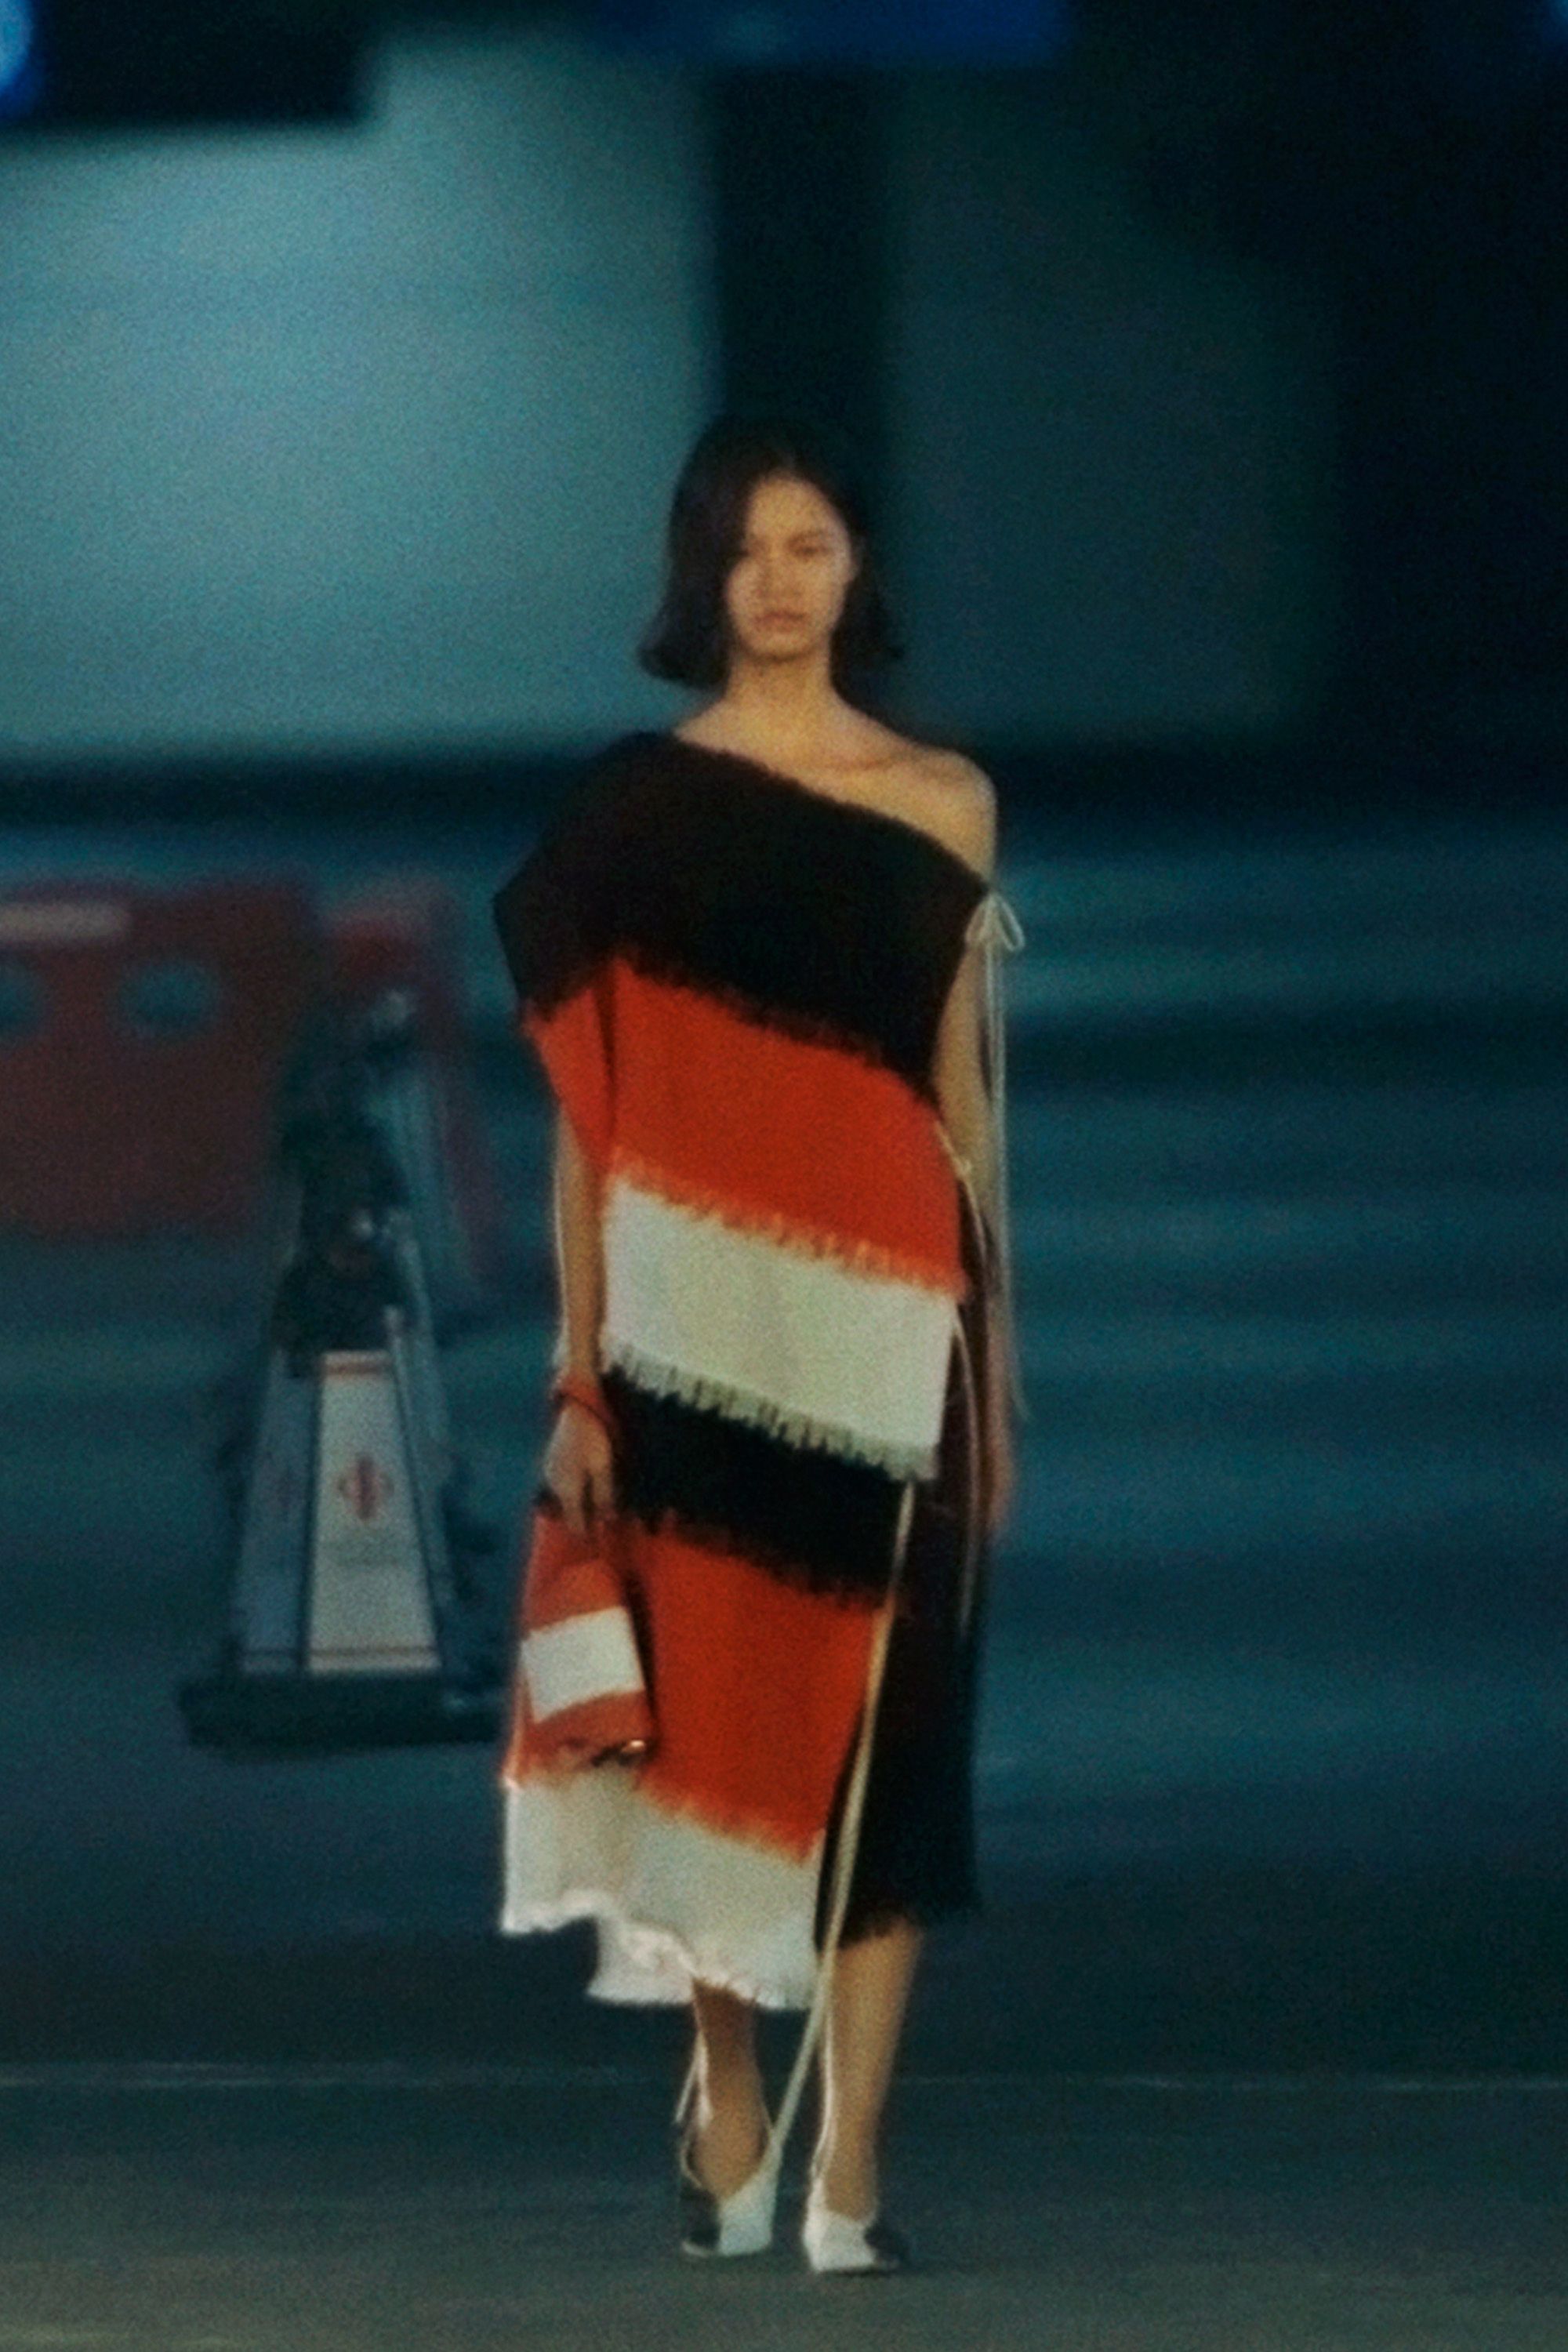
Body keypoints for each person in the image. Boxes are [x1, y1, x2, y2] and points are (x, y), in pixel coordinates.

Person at [491, 415, 1026, 2274]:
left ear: (857, 567)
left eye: (812, 546)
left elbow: (963, 1107)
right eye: (746, 551)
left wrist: (997, 1372)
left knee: (898, 1738)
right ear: (699, 578)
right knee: (713, 1727)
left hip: (897, 1332)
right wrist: (577, 1375)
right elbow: (591, 1122)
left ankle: (847, 2166)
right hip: (688, 1337)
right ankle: (726, 2098)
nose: (780, 581)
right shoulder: (633, 812)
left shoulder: (945, 801)